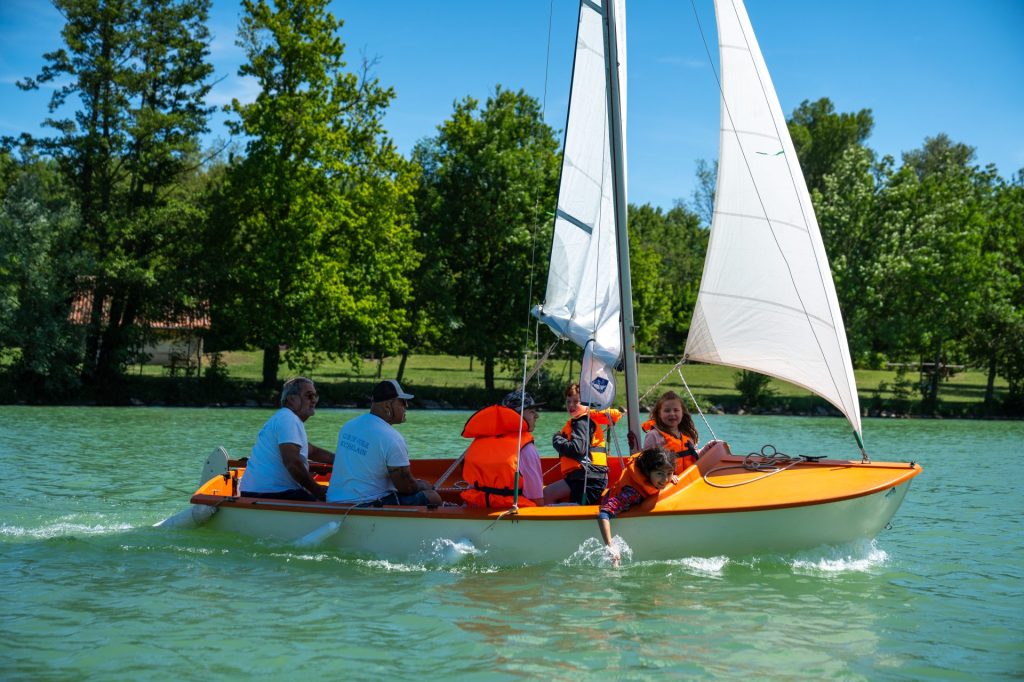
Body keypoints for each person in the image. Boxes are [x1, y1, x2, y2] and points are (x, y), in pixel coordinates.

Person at [326, 379, 442, 507]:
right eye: (403, 402)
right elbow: (405, 486)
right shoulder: (392, 438)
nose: (407, 406)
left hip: (333, 501)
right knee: (433, 497)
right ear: (387, 405)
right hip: (362, 505)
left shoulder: (348, 426)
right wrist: (423, 485)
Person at [238, 377, 335, 501]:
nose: (314, 400)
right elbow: (292, 463)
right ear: (291, 399)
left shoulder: (286, 418)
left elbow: (311, 451)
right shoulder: (288, 419)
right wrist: (317, 491)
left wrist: (341, 460)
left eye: (315, 396)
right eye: (309, 396)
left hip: (258, 492)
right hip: (270, 494)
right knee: (336, 499)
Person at [460, 390, 545, 508]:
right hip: (512, 513)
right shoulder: (526, 449)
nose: (536, 416)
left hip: (477, 508)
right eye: (531, 411)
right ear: (517, 416)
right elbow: (537, 499)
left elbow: (472, 486)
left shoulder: (479, 442)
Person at [597, 446, 678, 566]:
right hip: (616, 503)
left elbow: (664, 477)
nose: (665, 479)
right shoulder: (632, 493)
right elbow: (604, 513)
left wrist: (672, 477)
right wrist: (610, 546)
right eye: (660, 474)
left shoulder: (657, 479)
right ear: (647, 472)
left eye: (669, 473)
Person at [544, 382, 618, 505]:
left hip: (589, 480)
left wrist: (557, 440)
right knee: (547, 494)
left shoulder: (582, 422)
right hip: (581, 477)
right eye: (568, 401)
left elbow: (577, 449)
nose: (571, 405)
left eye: (576, 401)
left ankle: (557, 520)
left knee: (553, 498)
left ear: (587, 404)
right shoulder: (579, 421)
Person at [642, 390, 716, 475]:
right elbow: (647, 463)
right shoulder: (654, 435)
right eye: (667, 411)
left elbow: (693, 456)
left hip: (688, 481)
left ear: (682, 413)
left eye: (676, 410)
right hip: (667, 484)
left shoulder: (686, 434)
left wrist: (708, 448)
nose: (672, 413)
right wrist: (667, 476)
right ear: (659, 414)